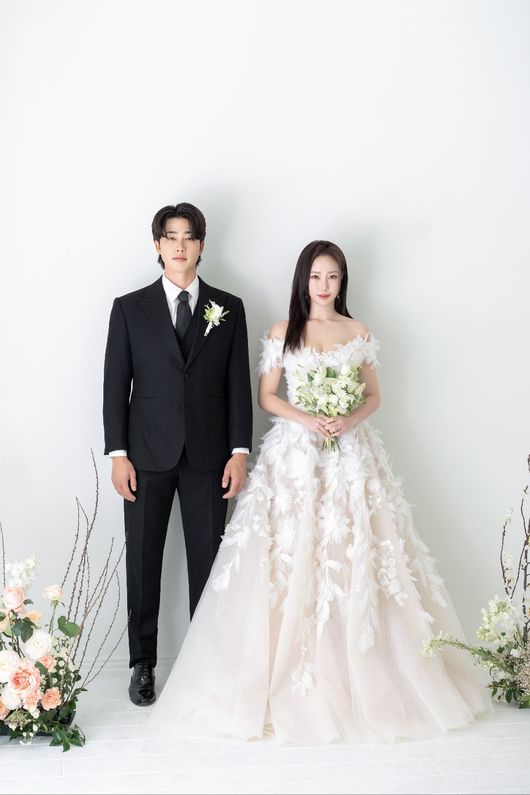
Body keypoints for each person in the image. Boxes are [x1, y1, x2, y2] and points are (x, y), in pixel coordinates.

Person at [149, 239, 490, 743]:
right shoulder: (283, 331)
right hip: (294, 457)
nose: (324, 285)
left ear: (342, 280)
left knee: (356, 551)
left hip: (351, 454)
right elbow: (267, 396)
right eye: (315, 276)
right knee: (289, 554)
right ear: (303, 280)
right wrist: (309, 419)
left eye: (332, 276)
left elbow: (374, 395)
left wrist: (348, 419)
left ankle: (362, 673)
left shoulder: (358, 331)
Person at [103, 202, 253, 706]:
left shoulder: (228, 307)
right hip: (145, 456)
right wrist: (118, 454)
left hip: (210, 457)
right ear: (158, 245)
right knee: (143, 562)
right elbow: (115, 386)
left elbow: (237, 386)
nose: (180, 246)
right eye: (171, 237)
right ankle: (142, 664)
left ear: (201, 244)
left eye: (189, 237)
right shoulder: (130, 308)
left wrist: (239, 451)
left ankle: (205, 666)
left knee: (209, 564)